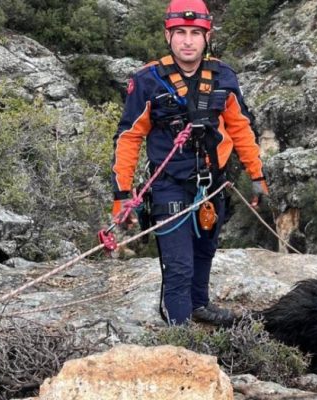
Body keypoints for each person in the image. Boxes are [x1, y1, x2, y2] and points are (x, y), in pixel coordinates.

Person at [110, 0, 268, 326]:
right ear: (168, 36)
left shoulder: (223, 76)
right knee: (179, 264)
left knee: (204, 252)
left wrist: (256, 175)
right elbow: (129, 137)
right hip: (169, 185)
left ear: (206, 37)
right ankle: (180, 331)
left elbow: (241, 128)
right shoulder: (148, 81)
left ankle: (199, 305)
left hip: (213, 183)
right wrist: (122, 193)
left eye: (195, 33)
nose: (187, 40)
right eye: (179, 32)